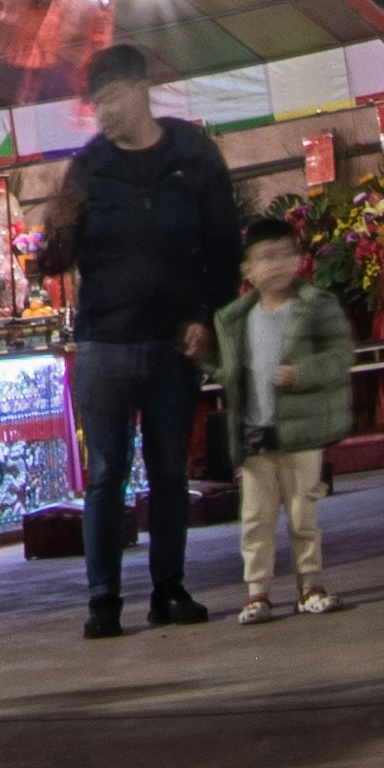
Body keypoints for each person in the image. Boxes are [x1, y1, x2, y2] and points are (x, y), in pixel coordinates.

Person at [30, 40, 243, 635]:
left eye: (113, 98)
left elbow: (224, 244)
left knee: (170, 469)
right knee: (106, 473)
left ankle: (169, 590)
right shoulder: (89, 167)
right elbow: (57, 258)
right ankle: (103, 600)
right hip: (104, 344)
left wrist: (208, 314)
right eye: (96, 103)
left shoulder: (194, 154)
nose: (103, 113)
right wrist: (53, 237)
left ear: (142, 90)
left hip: (174, 342)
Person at [223, 216, 356, 617]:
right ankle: (257, 592)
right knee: (255, 520)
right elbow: (229, 370)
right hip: (255, 436)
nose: (278, 264)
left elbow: (341, 356)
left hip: (302, 433)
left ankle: (310, 585)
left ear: (300, 259)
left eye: (286, 254)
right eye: (266, 257)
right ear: (248, 270)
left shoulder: (316, 306)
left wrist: (303, 374)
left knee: (303, 515)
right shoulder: (237, 318)